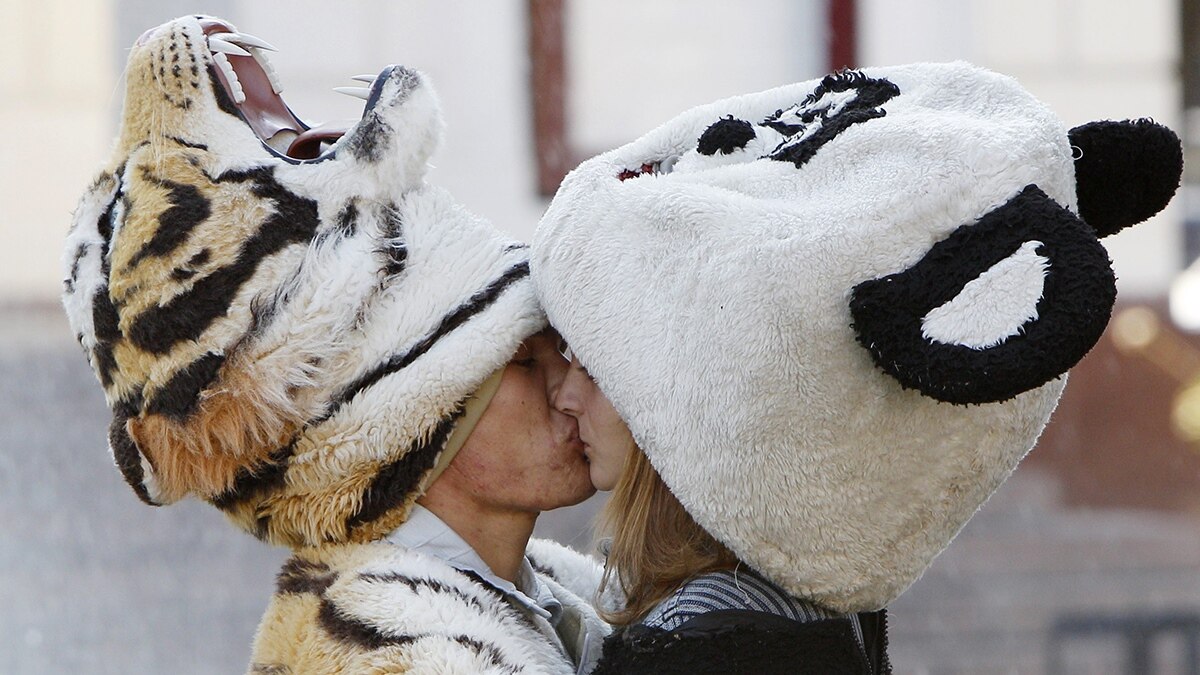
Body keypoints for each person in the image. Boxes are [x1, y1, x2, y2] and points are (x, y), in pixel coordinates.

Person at [532, 62, 1180, 674]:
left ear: (685, 383)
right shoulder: (799, 619)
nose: (562, 395)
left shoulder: (709, 648)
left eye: (590, 359)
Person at [61, 15, 609, 674]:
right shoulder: (395, 654)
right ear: (410, 426)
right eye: (520, 356)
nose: (574, 378)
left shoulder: (541, 593)